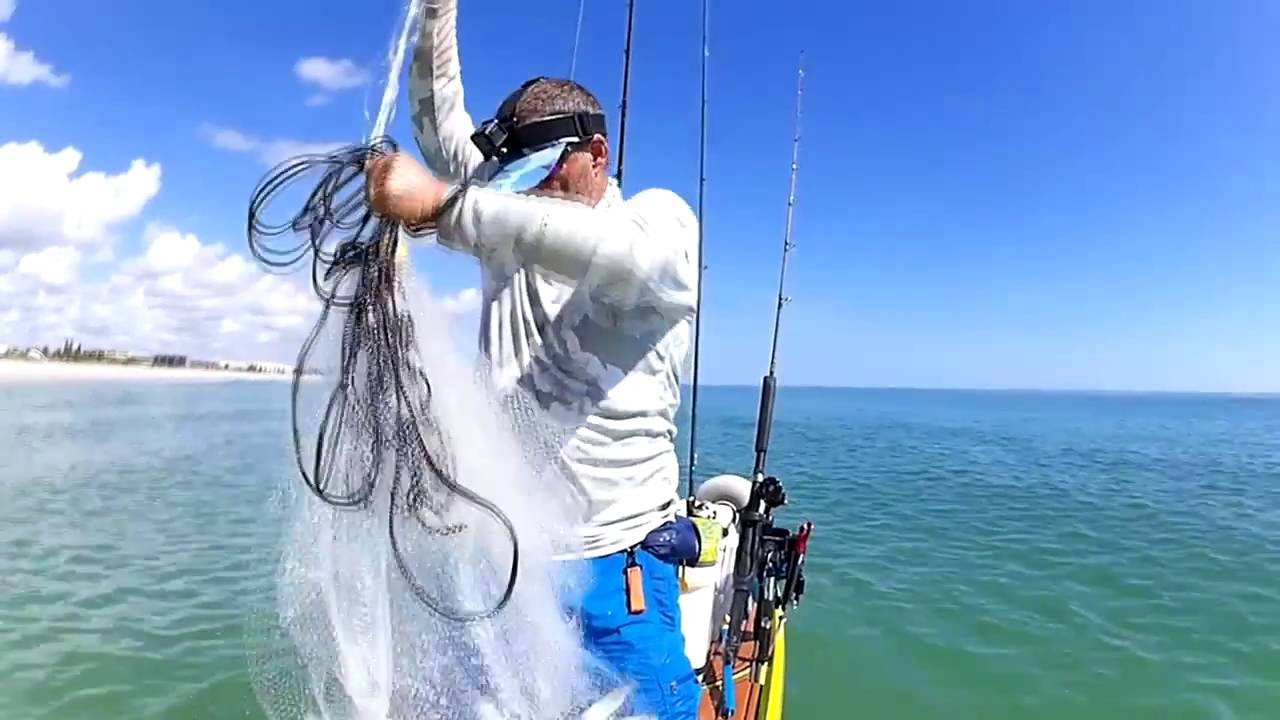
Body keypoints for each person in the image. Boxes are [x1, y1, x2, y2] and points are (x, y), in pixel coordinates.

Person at [364, 1, 702, 717]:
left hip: (618, 563)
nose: (529, 193)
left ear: (597, 156)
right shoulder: (507, 211)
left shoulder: (658, 222)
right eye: (516, 180)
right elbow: (438, 126)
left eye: (546, 173)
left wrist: (446, 208)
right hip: (509, 557)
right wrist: (436, 16)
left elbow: (631, 258)